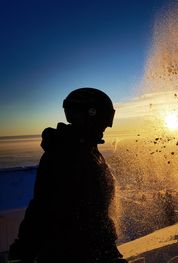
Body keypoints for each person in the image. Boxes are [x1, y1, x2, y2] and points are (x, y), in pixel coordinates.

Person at [8, 88, 127, 263]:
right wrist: (24, 250)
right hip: (72, 253)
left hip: (98, 250)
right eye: (103, 120)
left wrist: (107, 248)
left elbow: (96, 209)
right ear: (89, 115)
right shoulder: (62, 154)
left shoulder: (90, 151)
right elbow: (42, 206)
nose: (107, 126)